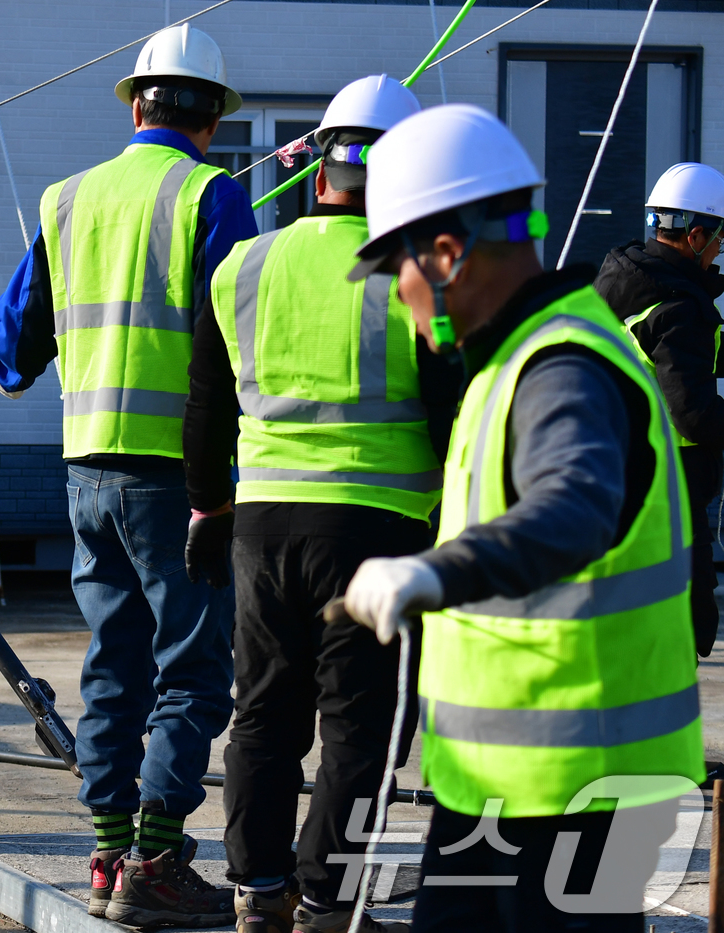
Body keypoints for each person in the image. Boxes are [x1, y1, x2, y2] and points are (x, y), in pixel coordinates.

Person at [342, 104, 703, 932]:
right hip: (507, 784)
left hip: (577, 791)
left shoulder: (560, 367)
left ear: (444, 252)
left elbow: (571, 510)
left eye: (393, 263)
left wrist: (432, 571)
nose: (396, 295)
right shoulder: (515, 360)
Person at [0, 22, 254, 929]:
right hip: (180, 478)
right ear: (211, 117)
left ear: (136, 103)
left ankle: (106, 852)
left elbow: (12, 359)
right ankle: (159, 858)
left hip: (84, 469)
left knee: (114, 665)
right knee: (194, 668)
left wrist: (3, 358)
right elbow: (245, 350)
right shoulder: (213, 197)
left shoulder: (66, 200)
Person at [184, 74, 454, 933]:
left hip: (262, 526)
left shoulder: (245, 265)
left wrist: (208, 511)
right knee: (361, 729)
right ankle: (329, 905)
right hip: (379, 529)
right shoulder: (420, 276)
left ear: (317, 169)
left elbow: (205, 407)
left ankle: (259, 896)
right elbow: (455, 412)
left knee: (262, 713)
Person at [594, 161, 724, 658]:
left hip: (614, 470)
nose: (718, 254)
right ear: (695, 237)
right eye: (717, 241)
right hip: (666, 484)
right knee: (682, 621)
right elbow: (693, 412)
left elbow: (673, 354)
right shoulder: (678, 306)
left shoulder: (625, 283)